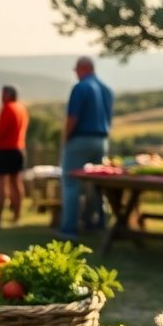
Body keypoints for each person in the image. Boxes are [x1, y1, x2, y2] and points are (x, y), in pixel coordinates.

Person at [60, 56, 114, 238]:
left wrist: (65, 138)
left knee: (71, 183)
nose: (75, 73)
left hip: (80, 139)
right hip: (101, 140)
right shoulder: (106, 89)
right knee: (97, 184)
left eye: (76, 70)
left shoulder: (81, 87)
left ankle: (69, 229)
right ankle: (98, 222)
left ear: (83, 68)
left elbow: (72, 117)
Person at [0, 85, 29, 227]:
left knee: (1, 184)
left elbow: (0, 131)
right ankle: (17, 215)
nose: (1, 97)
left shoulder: (8, 108)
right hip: (18, 149)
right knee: (16, 182)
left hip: (4, 150)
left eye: (2, 94)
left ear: (7, 95)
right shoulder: (22, 108)